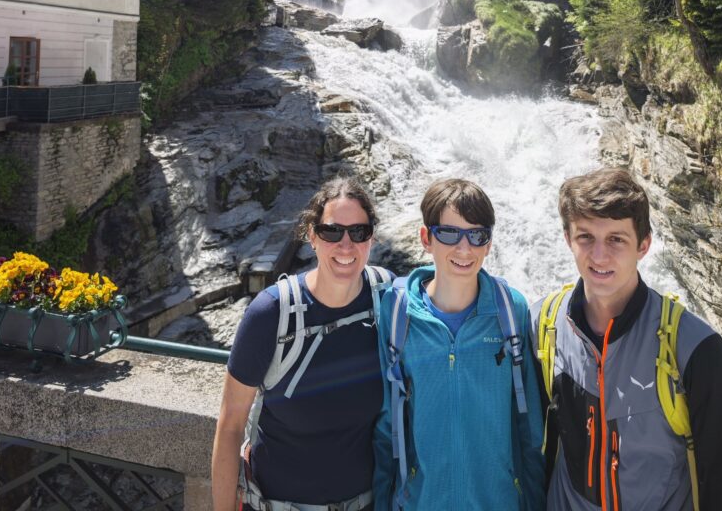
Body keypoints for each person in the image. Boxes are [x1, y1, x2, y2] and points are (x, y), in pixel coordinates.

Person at [531, 167, 722, 511]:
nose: (599, 255)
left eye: (616, 239)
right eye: (585, 237)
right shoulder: (544, 324)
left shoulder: (696, 349)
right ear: (567, 239)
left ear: (644, 245)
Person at [212, 176, 391, 511]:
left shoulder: (386, 298)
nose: (346, 245)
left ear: (372, 238)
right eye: (332, 232)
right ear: (312, 236)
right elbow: (231, 423)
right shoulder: (271, 313)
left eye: (359, 232)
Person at [373, 177, 545, 511]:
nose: (464, 249)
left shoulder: (511, 312)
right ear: (426, 238)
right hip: (422, 502)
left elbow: (530, 430)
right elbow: (385, 426)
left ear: (489, 243)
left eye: (476, 235)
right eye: (449, 234)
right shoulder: (396, 314)